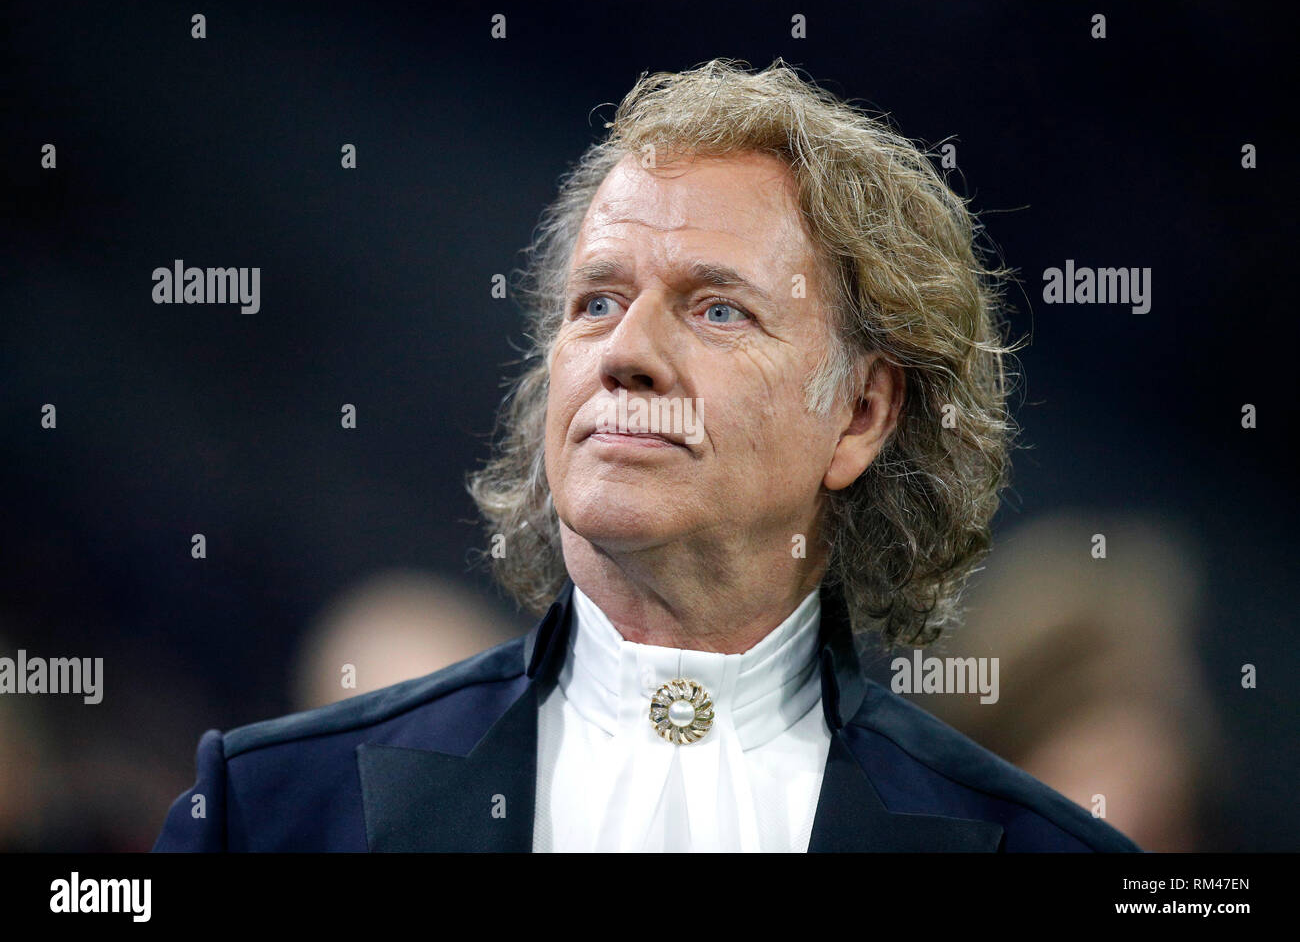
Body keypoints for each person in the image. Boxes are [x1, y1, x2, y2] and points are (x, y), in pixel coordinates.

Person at [154, 58, 1139, 852]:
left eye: (716, 307)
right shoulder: (267, 809)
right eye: (596, 300)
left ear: (860, 413)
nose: (625, 352)